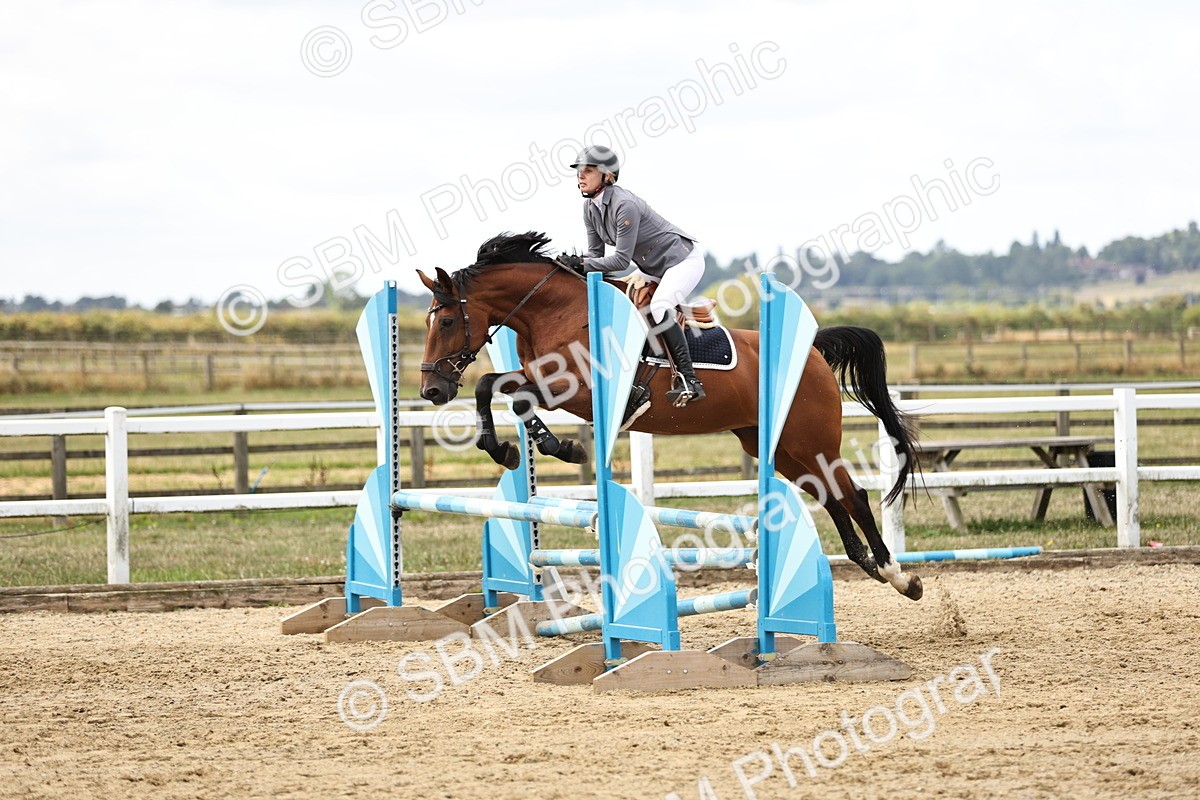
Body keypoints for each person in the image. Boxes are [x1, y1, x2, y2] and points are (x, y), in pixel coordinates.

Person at [556, 145, 706, 404]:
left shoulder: (624, 205)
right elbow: (595, 255)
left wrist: (582, 263)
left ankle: (689, 379)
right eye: (579, 171)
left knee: (659, 306)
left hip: (682, 261)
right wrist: (576, 266)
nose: (580, 176)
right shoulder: (590, 208)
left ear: (607, 176)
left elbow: (619, 261)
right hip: (651, 268)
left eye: (588, 171)